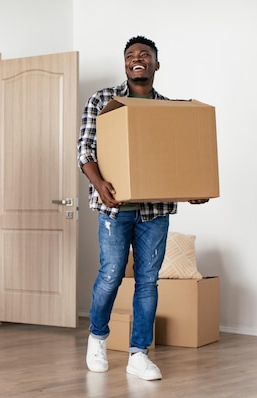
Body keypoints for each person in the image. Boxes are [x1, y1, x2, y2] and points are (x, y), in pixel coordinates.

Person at [77, 35, 209, 380]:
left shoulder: (167, 109)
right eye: (132, 55)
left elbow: (175, 160)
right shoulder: (104, 100)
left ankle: (139, 354)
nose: (138, 59)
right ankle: (98, 338)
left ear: (155, 64)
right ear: (125, 64)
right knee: (110, 275)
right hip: (115, 207)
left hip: (154, 211)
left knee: (148, 281)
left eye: (145, 55)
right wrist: (99, 184)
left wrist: (192, 188)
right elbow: (85, 150)